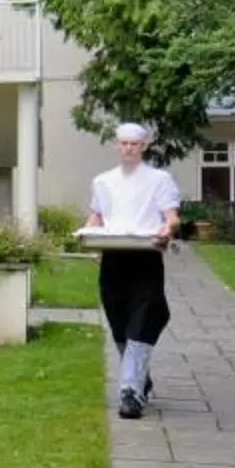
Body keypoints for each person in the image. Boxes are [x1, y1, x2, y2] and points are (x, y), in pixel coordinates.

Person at [87, 121, 183, 420]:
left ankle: (130, 392)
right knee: (119, 325)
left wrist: (167, 230)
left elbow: (172, 217)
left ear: (143, 146)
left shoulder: (159, 180)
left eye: (134, 144)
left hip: (145, 257)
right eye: (123, 143)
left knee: (144, 318)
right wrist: (88, 238)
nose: (128, 148)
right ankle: (140, 376)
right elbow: (95, 217)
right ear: (117, 145)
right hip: (113, 258)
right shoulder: (103, 181)